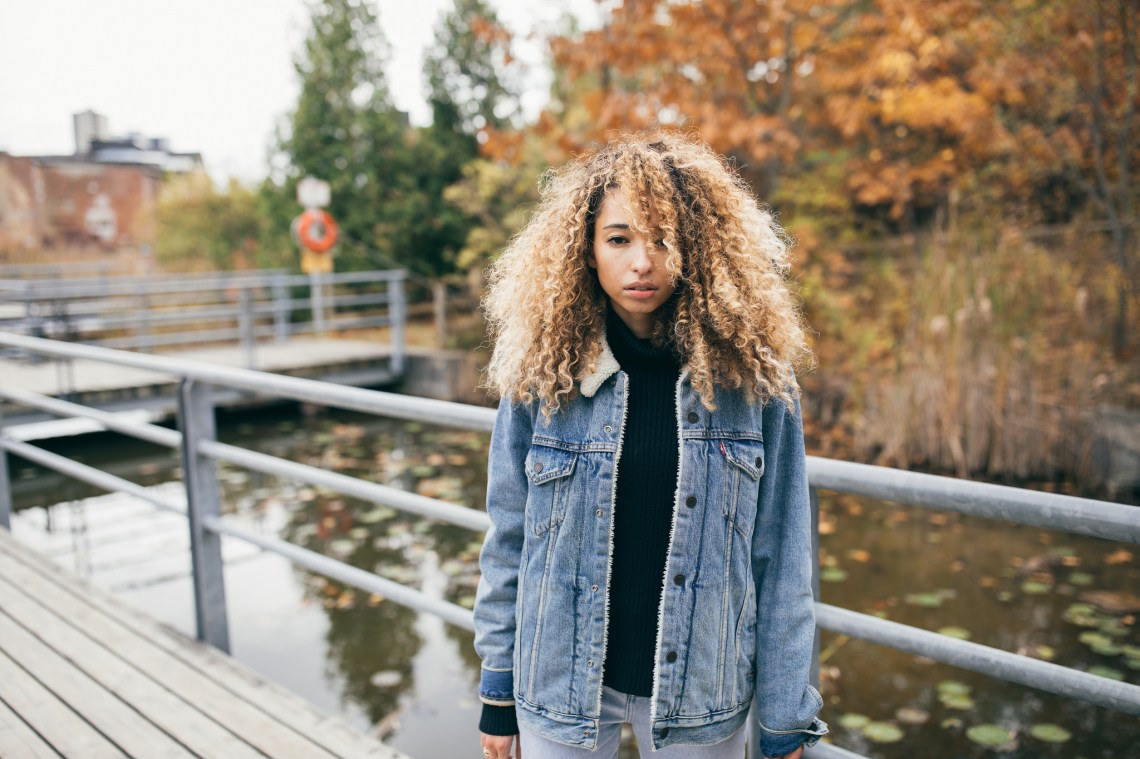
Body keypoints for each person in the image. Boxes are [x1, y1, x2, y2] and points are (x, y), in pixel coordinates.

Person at [473, 132, 828, 759]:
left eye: (665, 238)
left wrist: (784, 720)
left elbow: (782, 557)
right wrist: (497, 695)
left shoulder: (755, 380)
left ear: (699, 246)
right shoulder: (541, 375)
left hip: (703, 693)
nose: (643, 262)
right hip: (559, 684)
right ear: (585, 249)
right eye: (620, 238)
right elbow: (509, 538)